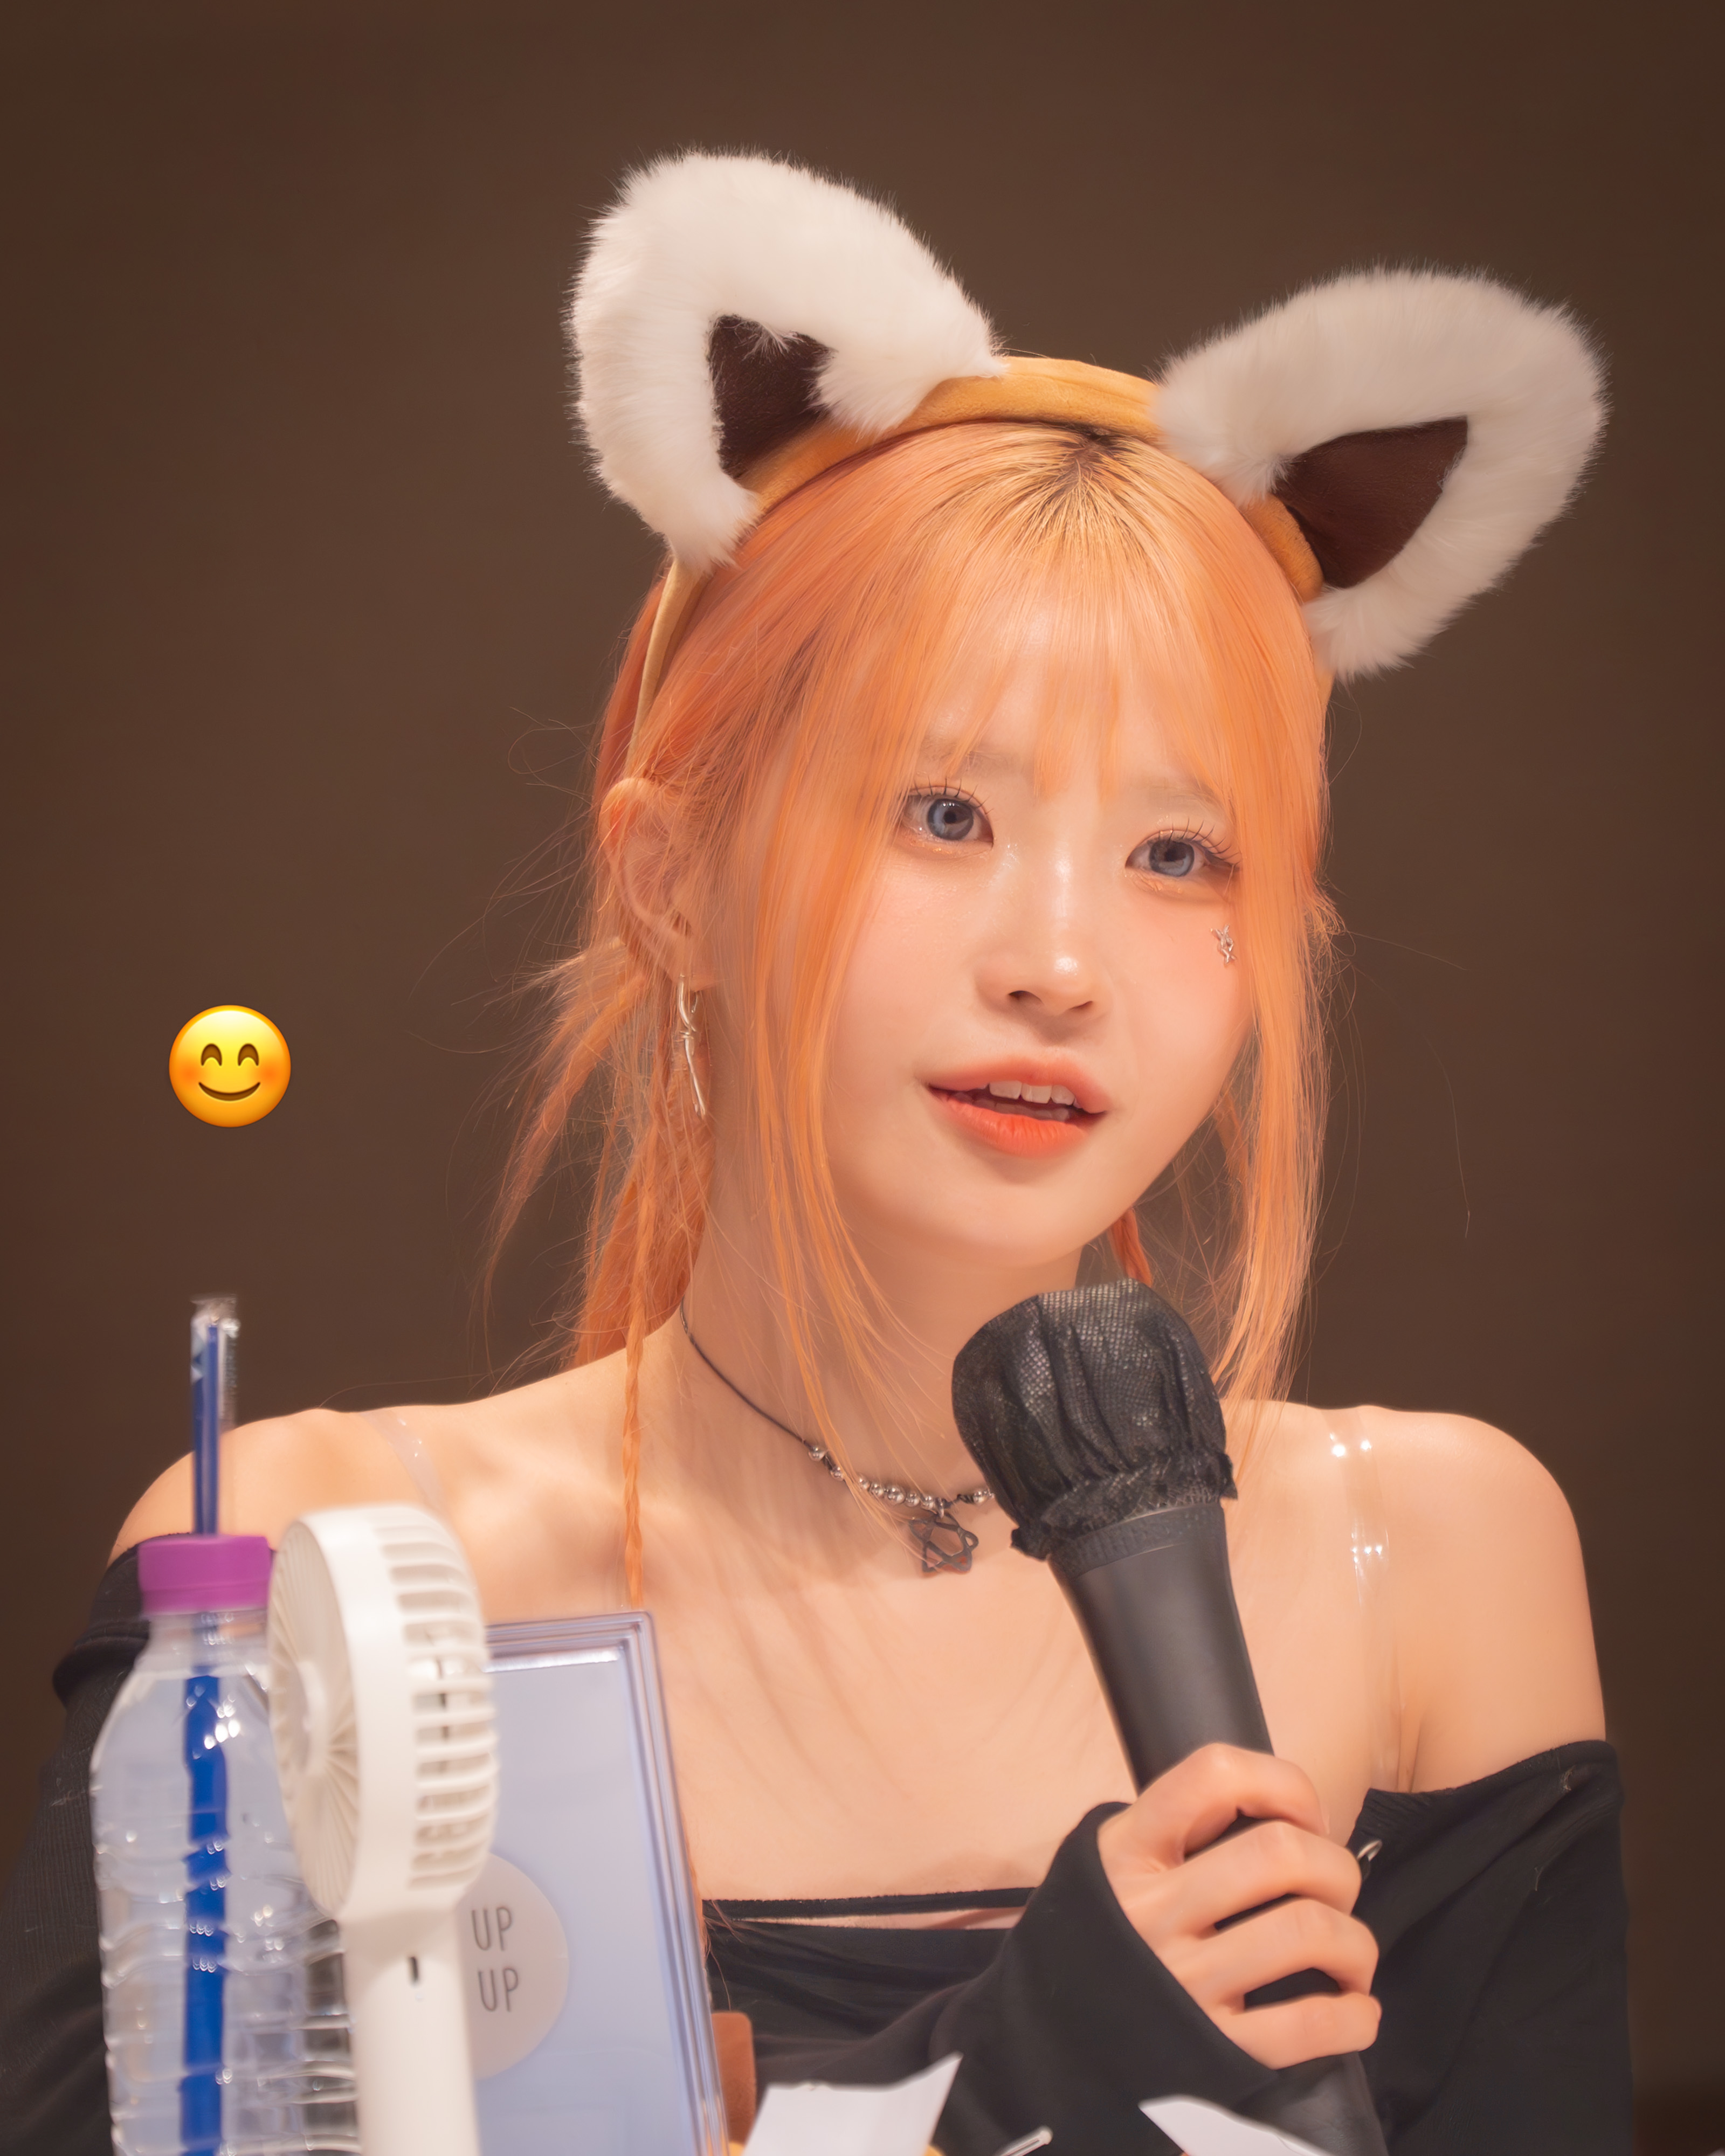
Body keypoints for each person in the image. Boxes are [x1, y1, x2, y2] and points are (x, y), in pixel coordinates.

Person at [1, 154, 1627, 2155]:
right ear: (671, 881)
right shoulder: (328, 1568)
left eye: (1177, 853)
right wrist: (996, 2077)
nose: (1057, 964)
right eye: (946, 815)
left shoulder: (1434, 1561)